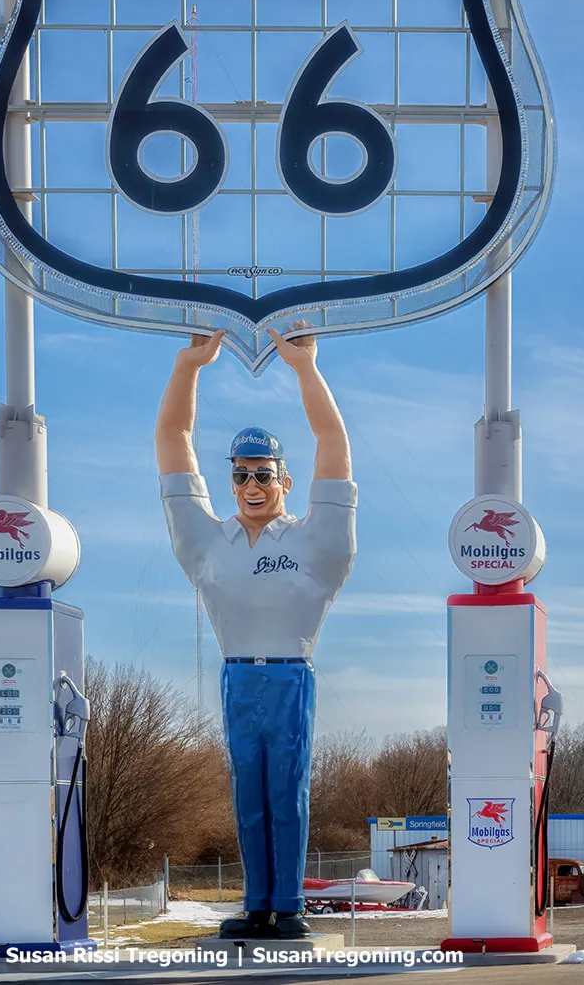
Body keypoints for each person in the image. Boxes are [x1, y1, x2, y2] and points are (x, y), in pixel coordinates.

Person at [155, 321, 356, 939]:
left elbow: (333, 444)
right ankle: (256, 903)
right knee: (249, 797)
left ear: (284, 479)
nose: (250, 486)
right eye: (239, 474)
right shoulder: (207, 543)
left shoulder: (316, 543)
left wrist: (306, 369)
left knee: (287, 792)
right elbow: (174, 441)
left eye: (263, 473)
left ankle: (287, 904)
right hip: (237, 678)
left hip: (290, 677)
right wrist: (188, 368)